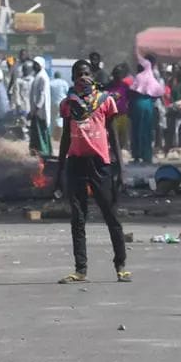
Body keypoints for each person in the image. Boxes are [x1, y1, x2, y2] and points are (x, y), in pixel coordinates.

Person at [53, 61, 129, 285]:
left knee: (110, 215)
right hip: (76, 163)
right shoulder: (68, 104)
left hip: (100, 164)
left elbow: (113, 136)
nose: (82, 78)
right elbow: (66, 137)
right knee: (78, 218)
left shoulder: (106, 101)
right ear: (73, 78)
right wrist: (59, 172)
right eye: (78, 75)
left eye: (86, 74)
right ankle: (81, 269)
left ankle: (120, 265)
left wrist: (121, 168)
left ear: (92, 76)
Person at [128, 54, 165, 164]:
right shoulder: (151, 76)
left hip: (136, 103)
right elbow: (159, 92)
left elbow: (132, 91)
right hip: (148, 104)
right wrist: (151, 99)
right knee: (147, 130)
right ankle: (146, 155)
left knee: (136, 129)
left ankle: (136, 155)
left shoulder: (138, 77)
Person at [28, 57, 52, 157]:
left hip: (40, 111)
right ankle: (35, 152)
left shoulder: (42, 77)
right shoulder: (38, 75)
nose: (34, 66)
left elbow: (42, 96)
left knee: (41, 133)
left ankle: (44, 153)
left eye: (36, 64)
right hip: (35, 110)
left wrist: (36, 109)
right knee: (35, 134)